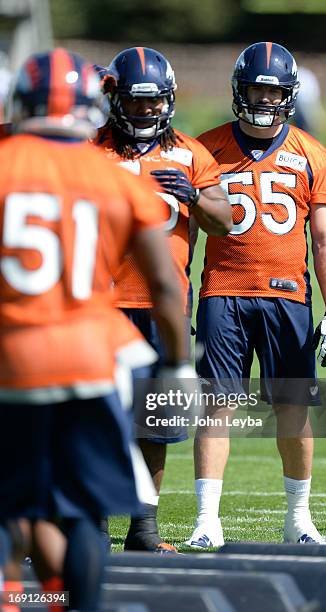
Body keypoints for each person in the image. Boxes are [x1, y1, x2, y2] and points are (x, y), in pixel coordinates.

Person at [0, 47, 194, 611]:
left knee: (10, 501)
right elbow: (164, 286)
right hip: (90, 355)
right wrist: (179, 364)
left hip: (11, 355)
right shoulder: (114, 177)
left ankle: (12, 599)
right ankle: (81, 604)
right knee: (86, 507)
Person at [186, 42, 326, 548]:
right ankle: (207, 520)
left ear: (289, 95)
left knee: (293, 409)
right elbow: (184, 236)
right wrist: (179, 296)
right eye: (256, 88)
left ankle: (298, 517)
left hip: (288, 297)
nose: (264, 99)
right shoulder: (205, 149)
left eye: (274, 91)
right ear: (239, 90)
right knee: (217, 406)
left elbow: (324, 240)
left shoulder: (312, 153)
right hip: (223, 293)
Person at [94, 46, 232, 553]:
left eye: (155, 103)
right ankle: (88, 525)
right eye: (135, 102)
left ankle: (142, 529)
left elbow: (226, 221)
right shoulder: (89, 147)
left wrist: (195, 197)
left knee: (157, 423)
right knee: (94, 420)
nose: (147, 111)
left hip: (163, 310)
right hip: (97, 308)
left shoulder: (192, 154)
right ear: (115, 101)